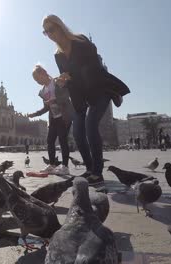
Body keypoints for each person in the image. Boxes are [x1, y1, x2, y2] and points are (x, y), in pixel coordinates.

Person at [43, 14, 130, 188]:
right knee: (77, 132)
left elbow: (93, 68)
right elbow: (69, 80)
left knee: (91, 125)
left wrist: (71, 75)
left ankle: (97, 173)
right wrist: (63, 80)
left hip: (100, 89)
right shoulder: (58, 56)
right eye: (45, 32)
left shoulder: (81, 42)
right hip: (81, 95)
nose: (49, 34)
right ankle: (90, 169)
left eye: (51, 29)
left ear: (60, 26)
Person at [28, 65, 73, 176]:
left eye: (38, 78)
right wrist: (35, 114)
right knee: (50, 141)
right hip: (53, 118)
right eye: (36, 80)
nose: (38, 81)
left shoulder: (57, 82)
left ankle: (65, 166)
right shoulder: (43, 91)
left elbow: (66, 96)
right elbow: (46, 107)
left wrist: (54, 99)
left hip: (64, 116)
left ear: (44, 72)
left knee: (63, 140)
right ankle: (52, 165)